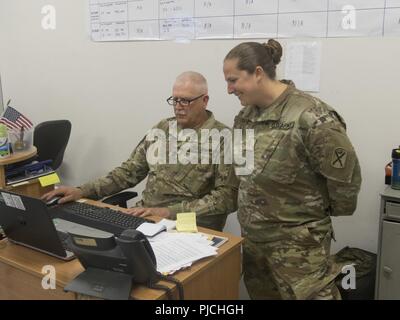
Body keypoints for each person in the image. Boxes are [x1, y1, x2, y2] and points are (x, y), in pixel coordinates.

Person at [223, 40, 362, 299]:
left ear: (258, 73)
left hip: (299, 249)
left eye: (233, 80)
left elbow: (345, 178)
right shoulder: (245, 118)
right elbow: (241, 174)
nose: (229, 89)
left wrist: (312, 217)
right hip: (256, 245)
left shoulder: (310, 115)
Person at [42, 71, 238, 231]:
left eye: (186, 101)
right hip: (146, 216)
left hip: (188, 225)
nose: (178, 107)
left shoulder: (224, 139)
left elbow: (227, 199)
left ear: (205, 100)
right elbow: (129, 172)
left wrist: (168, 212)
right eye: (175, 100)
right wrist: (83, 190)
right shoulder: (163, 128)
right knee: (86, 240)